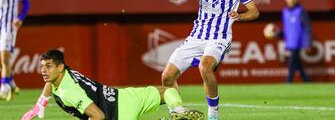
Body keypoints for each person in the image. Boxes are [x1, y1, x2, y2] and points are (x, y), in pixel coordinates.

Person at [157, 0, 259, 120]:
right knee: (167, 77)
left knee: (205, 67)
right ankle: (177, 113)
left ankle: (213, 116)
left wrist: (240, 16)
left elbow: (254, 11)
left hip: (219, 37)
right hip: (197, 36)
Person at [22, 49, 204, 120]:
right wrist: (41, 104)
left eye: (48, 67)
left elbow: (98, 116)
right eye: (42, 67)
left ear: (60, 67)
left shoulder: (69, 92)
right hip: (125, 96)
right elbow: (50, 81)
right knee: (167, 91)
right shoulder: (62, 74)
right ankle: (178, 110)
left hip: (118, 115)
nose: (44, 71)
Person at [0, 0, 30, 101]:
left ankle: (4, 87)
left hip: (8, 28)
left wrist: (20, 18)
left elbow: (26, 2)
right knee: (1, 60)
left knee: (4, 56)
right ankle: (10, 81)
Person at [266, 0, 311, 83]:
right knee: (298, 65)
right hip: (289, 43)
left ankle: (288, 83)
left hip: (298, 43)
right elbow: (286, 30)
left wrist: (308, 43)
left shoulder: (300, 11)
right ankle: (307, 81)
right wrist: (276, 34)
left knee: (291, 64)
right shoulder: (285, 12)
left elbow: (307, 27)